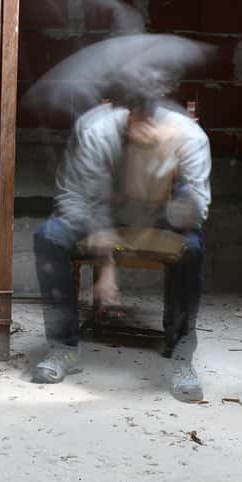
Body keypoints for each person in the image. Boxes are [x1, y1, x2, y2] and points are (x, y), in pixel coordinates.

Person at [31, 64, 211, 400]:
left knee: (192, 248)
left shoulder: (189, 137)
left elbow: (197, 213)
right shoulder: (96, 130)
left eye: (149, 114)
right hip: (98, 211)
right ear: (120, 109)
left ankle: (180, 353)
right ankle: (62, 347)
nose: (140, 121)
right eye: (132, 114)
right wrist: (107, 269)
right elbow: (76, 200)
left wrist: (168, 167)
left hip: (162, 214)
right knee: (49, 236)